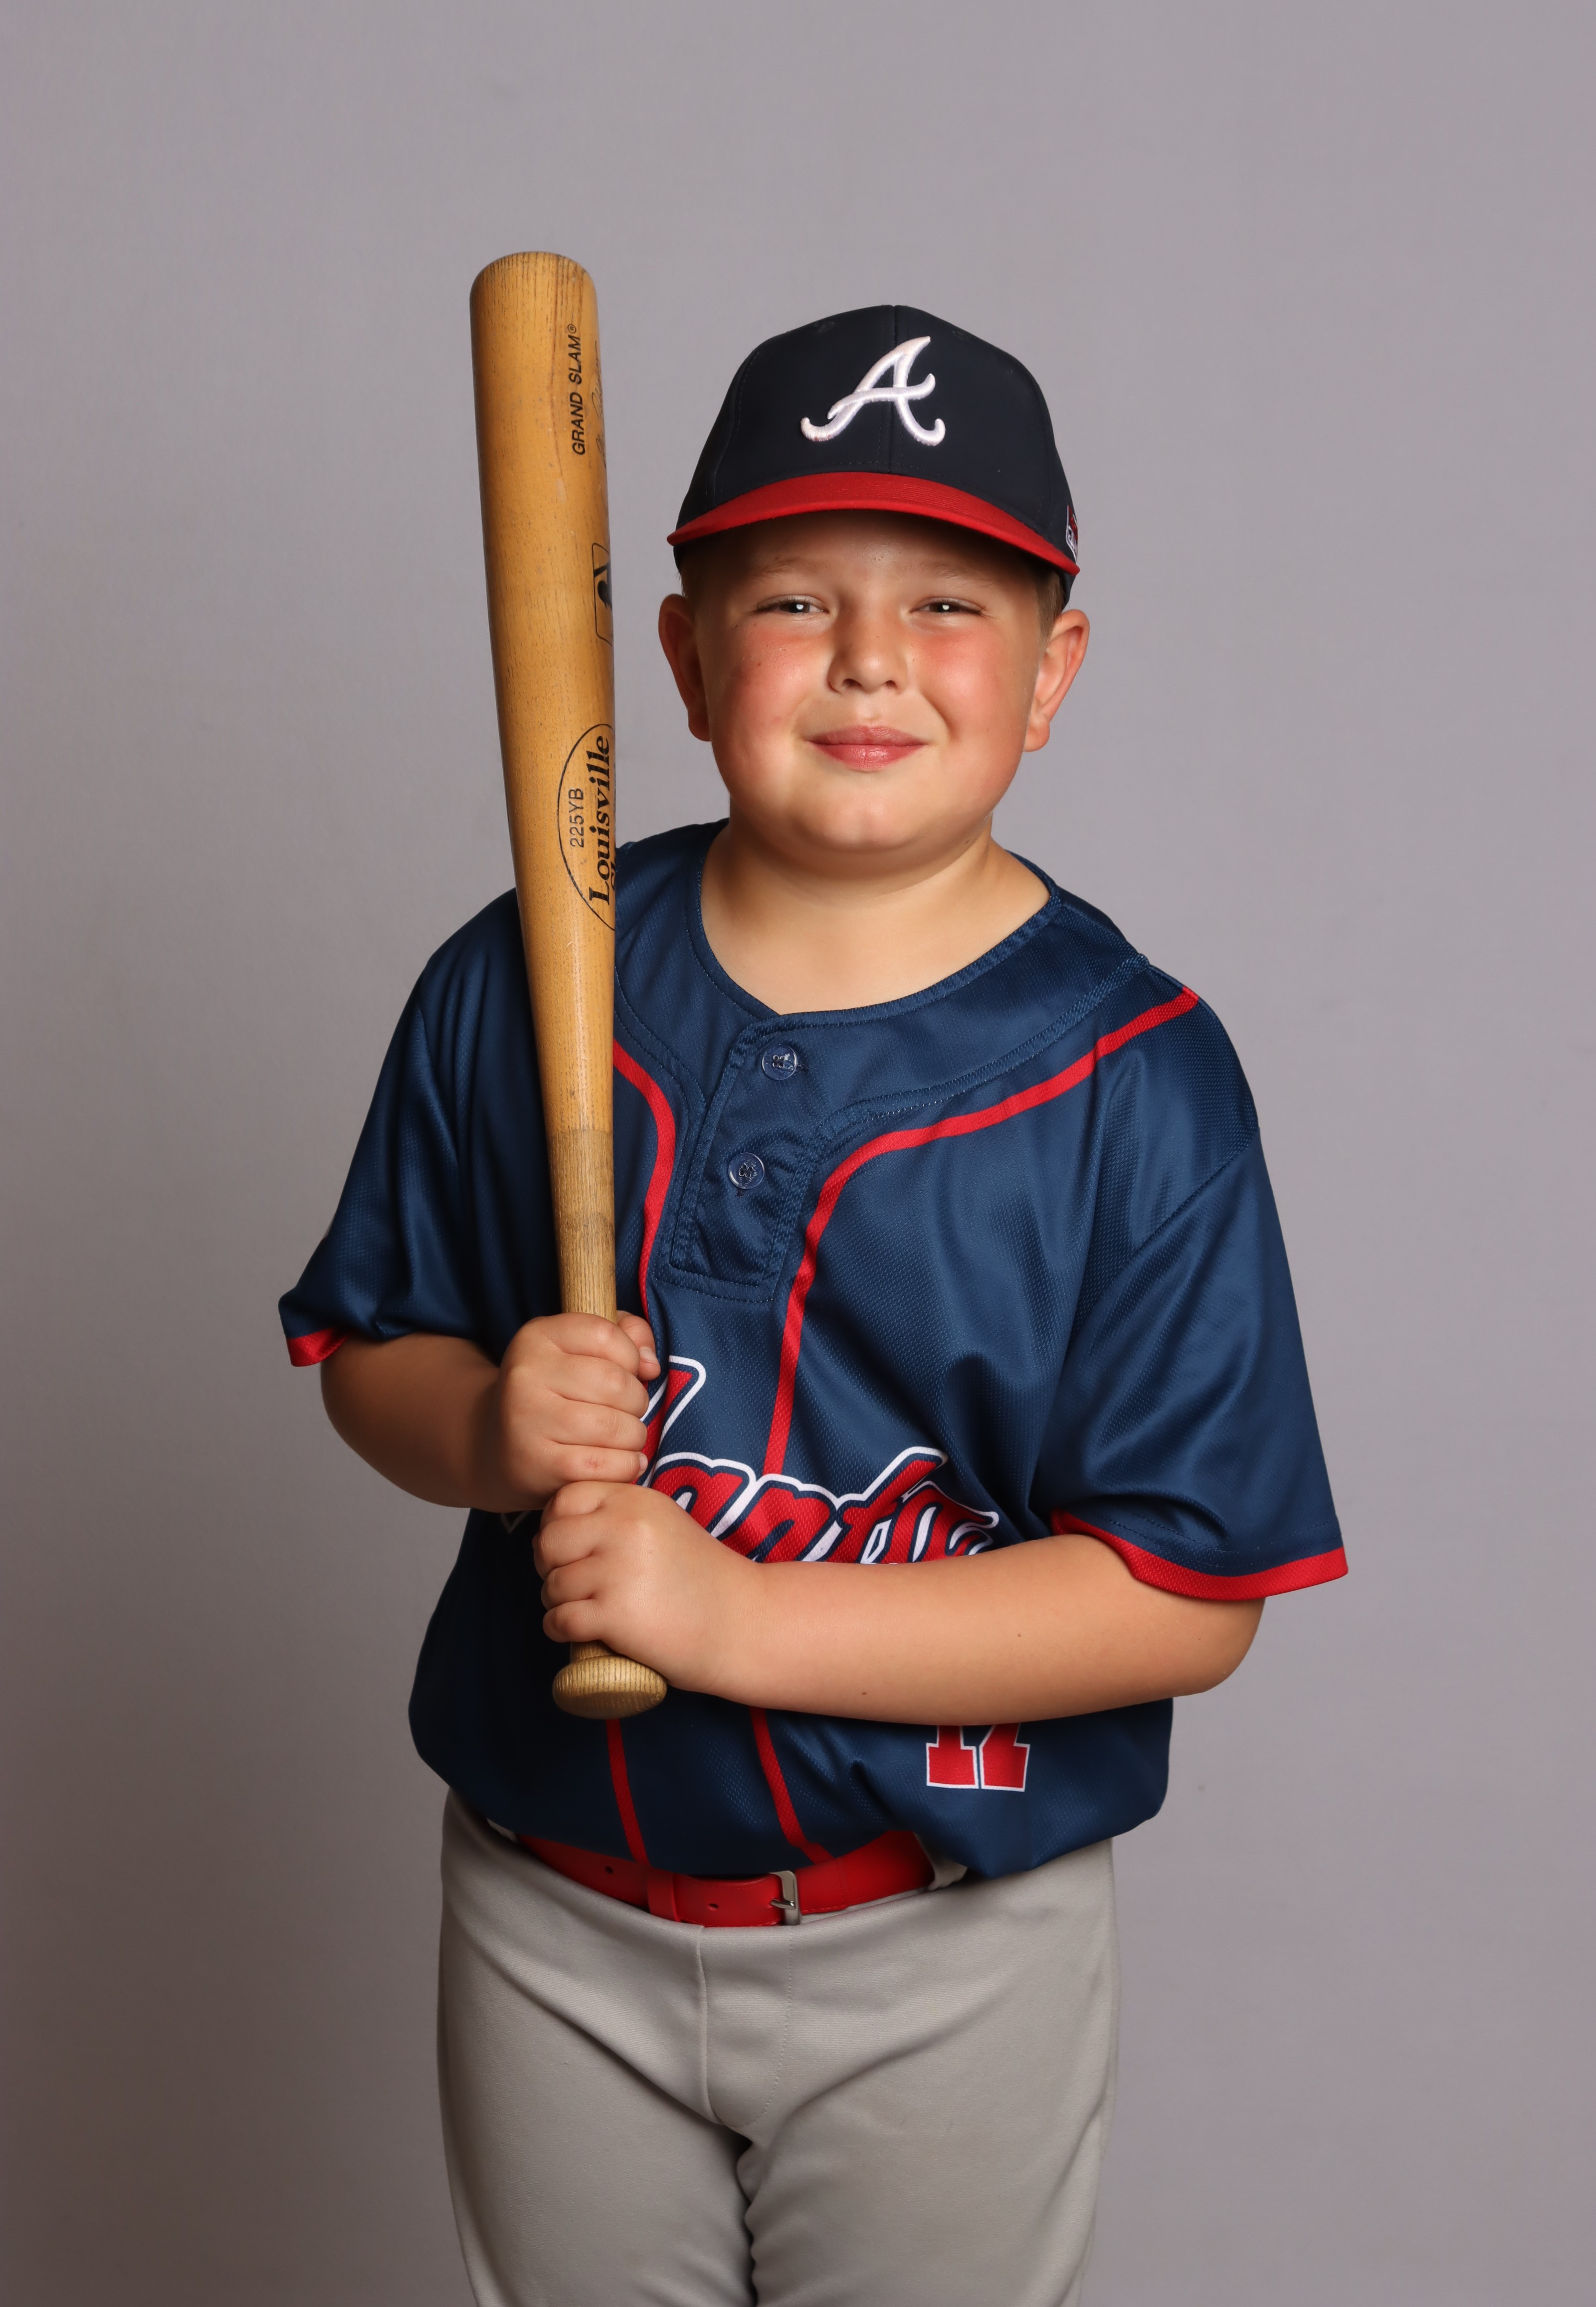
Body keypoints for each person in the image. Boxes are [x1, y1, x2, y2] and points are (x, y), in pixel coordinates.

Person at [280, 304, 1345, 2307]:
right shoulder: (516, 978)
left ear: (1053, 670)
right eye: (792, 598)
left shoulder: (1136, 1081)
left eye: (948, 600)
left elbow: (1184, 1597)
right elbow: (369, 1352)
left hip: (942, 1945)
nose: (868, 655)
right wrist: (486, 1427)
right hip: (546, 1909)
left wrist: (735, 1619)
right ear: (685, 663)